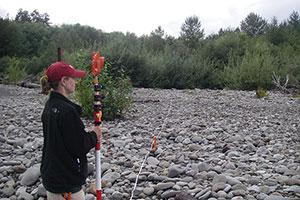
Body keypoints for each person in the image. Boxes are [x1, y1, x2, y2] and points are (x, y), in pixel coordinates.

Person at [40, 62, 102, 200]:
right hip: (66, 185)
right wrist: (94, 135)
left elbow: (64, 140)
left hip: (52, 178)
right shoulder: (67, 111)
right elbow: (79, 146)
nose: (76, 82)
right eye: (73, 78)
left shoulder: (50, 106)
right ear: (63, 81)